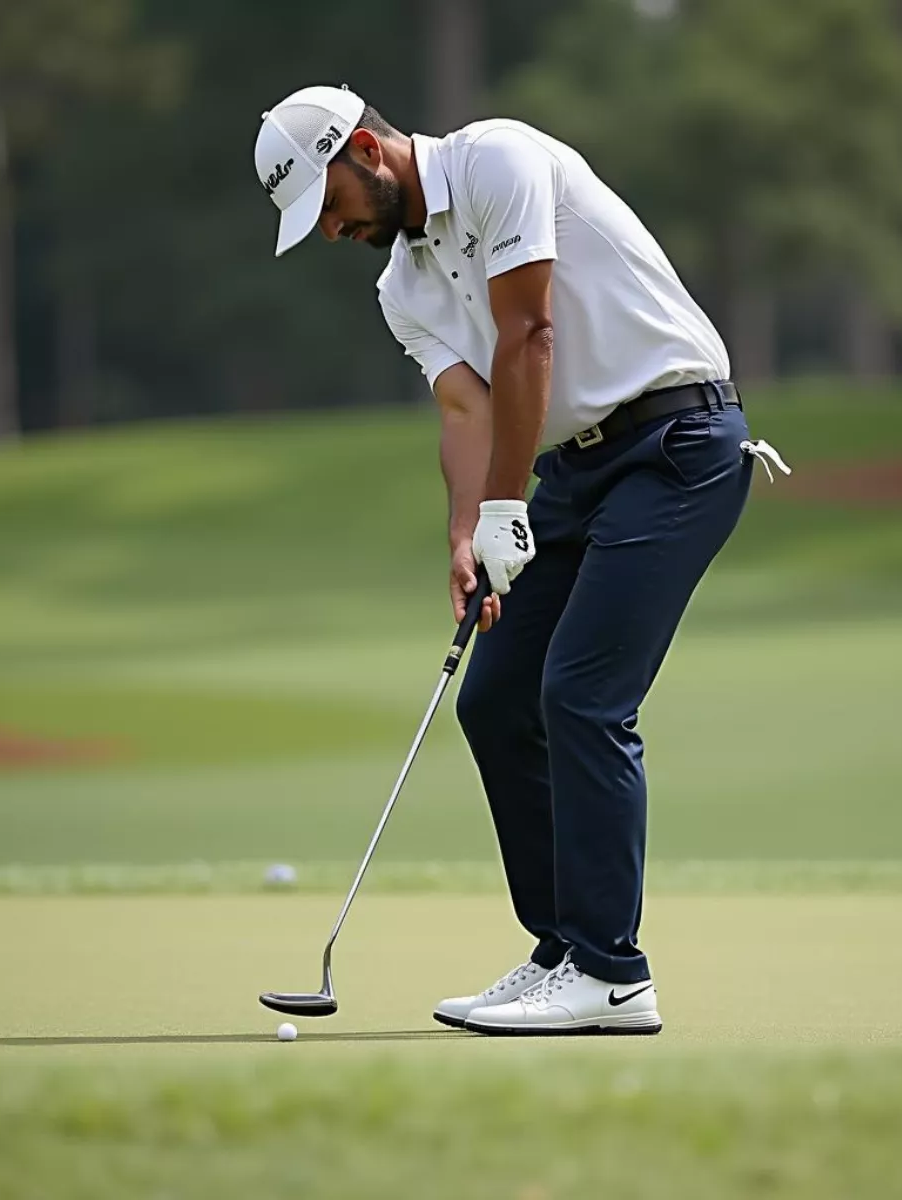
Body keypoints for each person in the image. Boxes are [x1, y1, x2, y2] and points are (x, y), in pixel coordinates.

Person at [253, 84, 789, 1037]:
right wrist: (469, 531)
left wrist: (509, 506)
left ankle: (614, 976)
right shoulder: (400, 289)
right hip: (574, 473)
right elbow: (467, 409)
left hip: (678, 444)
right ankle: (565, 952)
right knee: (495, 697)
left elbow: (529, 333)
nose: (330, 232)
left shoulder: (496, 158)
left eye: (329, 207)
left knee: (582, 694)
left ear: (368, 150)